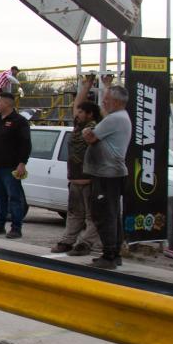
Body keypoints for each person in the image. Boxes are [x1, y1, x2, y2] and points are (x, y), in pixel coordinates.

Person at [51, 73, 101, 256]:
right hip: (74, 179)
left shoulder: (96, 127)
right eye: (78, 112)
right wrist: (86, 86)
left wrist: (107, 87)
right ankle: (68, 241)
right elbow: (77, 104)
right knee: (73, 213)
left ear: (90, 114)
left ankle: (86, 243)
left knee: (91, 216)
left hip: (89, 181)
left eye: (81, 112)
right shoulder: (78, 127)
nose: (77, 114)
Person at [82, 84, 132, 268]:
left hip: (108, 173)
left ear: (117, 101)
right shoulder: (118, 118)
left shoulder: (115, 119)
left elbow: (90, 137)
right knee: (110, 213)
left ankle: (109, 254)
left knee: (104, 214)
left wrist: (87, 132)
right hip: (109, 173)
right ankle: (113, 252)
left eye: (107, 99)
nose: (103, 102)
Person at [0, 92, 31, 239]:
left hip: (11, 167)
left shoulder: (19, 121)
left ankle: (16, 228)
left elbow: (25, 144)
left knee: (14, 197)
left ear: (7, 104)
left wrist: (22, 163)